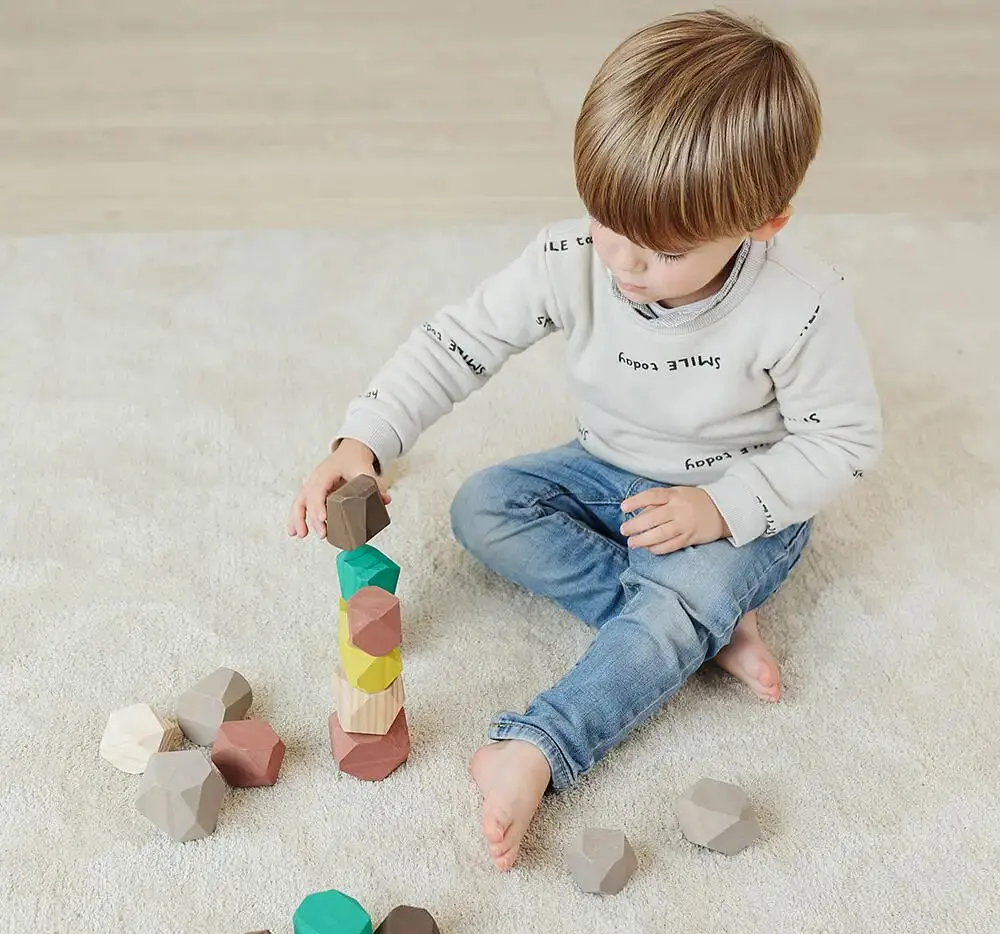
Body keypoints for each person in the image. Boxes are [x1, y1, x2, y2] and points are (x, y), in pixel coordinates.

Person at [287, 9, 882, 872]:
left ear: (764, 223)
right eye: (609, 223)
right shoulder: (573, 254)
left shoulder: (802, 302)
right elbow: (460, 342)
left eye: (665, 252)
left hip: (740, 498)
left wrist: (721, 511)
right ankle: (698, 627)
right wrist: (363, 439)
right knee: (483, 507)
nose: (626, 265)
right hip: (604, 467)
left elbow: (845, 443)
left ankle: (539, 745)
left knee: (684, 599)